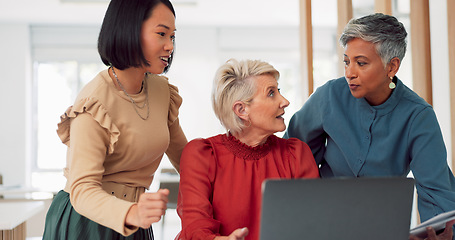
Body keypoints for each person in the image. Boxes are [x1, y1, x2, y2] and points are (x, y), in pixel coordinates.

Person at [284, 13, 455, 240]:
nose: (349, 73)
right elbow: (291, 157)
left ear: (391, 66)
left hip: (383, 229)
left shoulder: (418, 116)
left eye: (361, 63)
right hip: (320, 224)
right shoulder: (329, 96)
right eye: (347, 61)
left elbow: (436, 194)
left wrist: (440, 234)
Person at [42, 0, 187, 239]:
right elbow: (82, 189)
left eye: (172, 36)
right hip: (86, 222)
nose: (169, 46)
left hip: (136, 219)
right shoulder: (94, 102)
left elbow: (185, 156)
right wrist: (132, 213)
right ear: (130, 30)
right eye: (161, 34)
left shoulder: (162, 92)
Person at [175, 59, 320, 240]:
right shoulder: (202, 154)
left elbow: (313, 224)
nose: (285, 101)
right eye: (271, 94)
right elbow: (195, 228)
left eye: (279, 91)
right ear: (241, 110)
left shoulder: (296, 154)